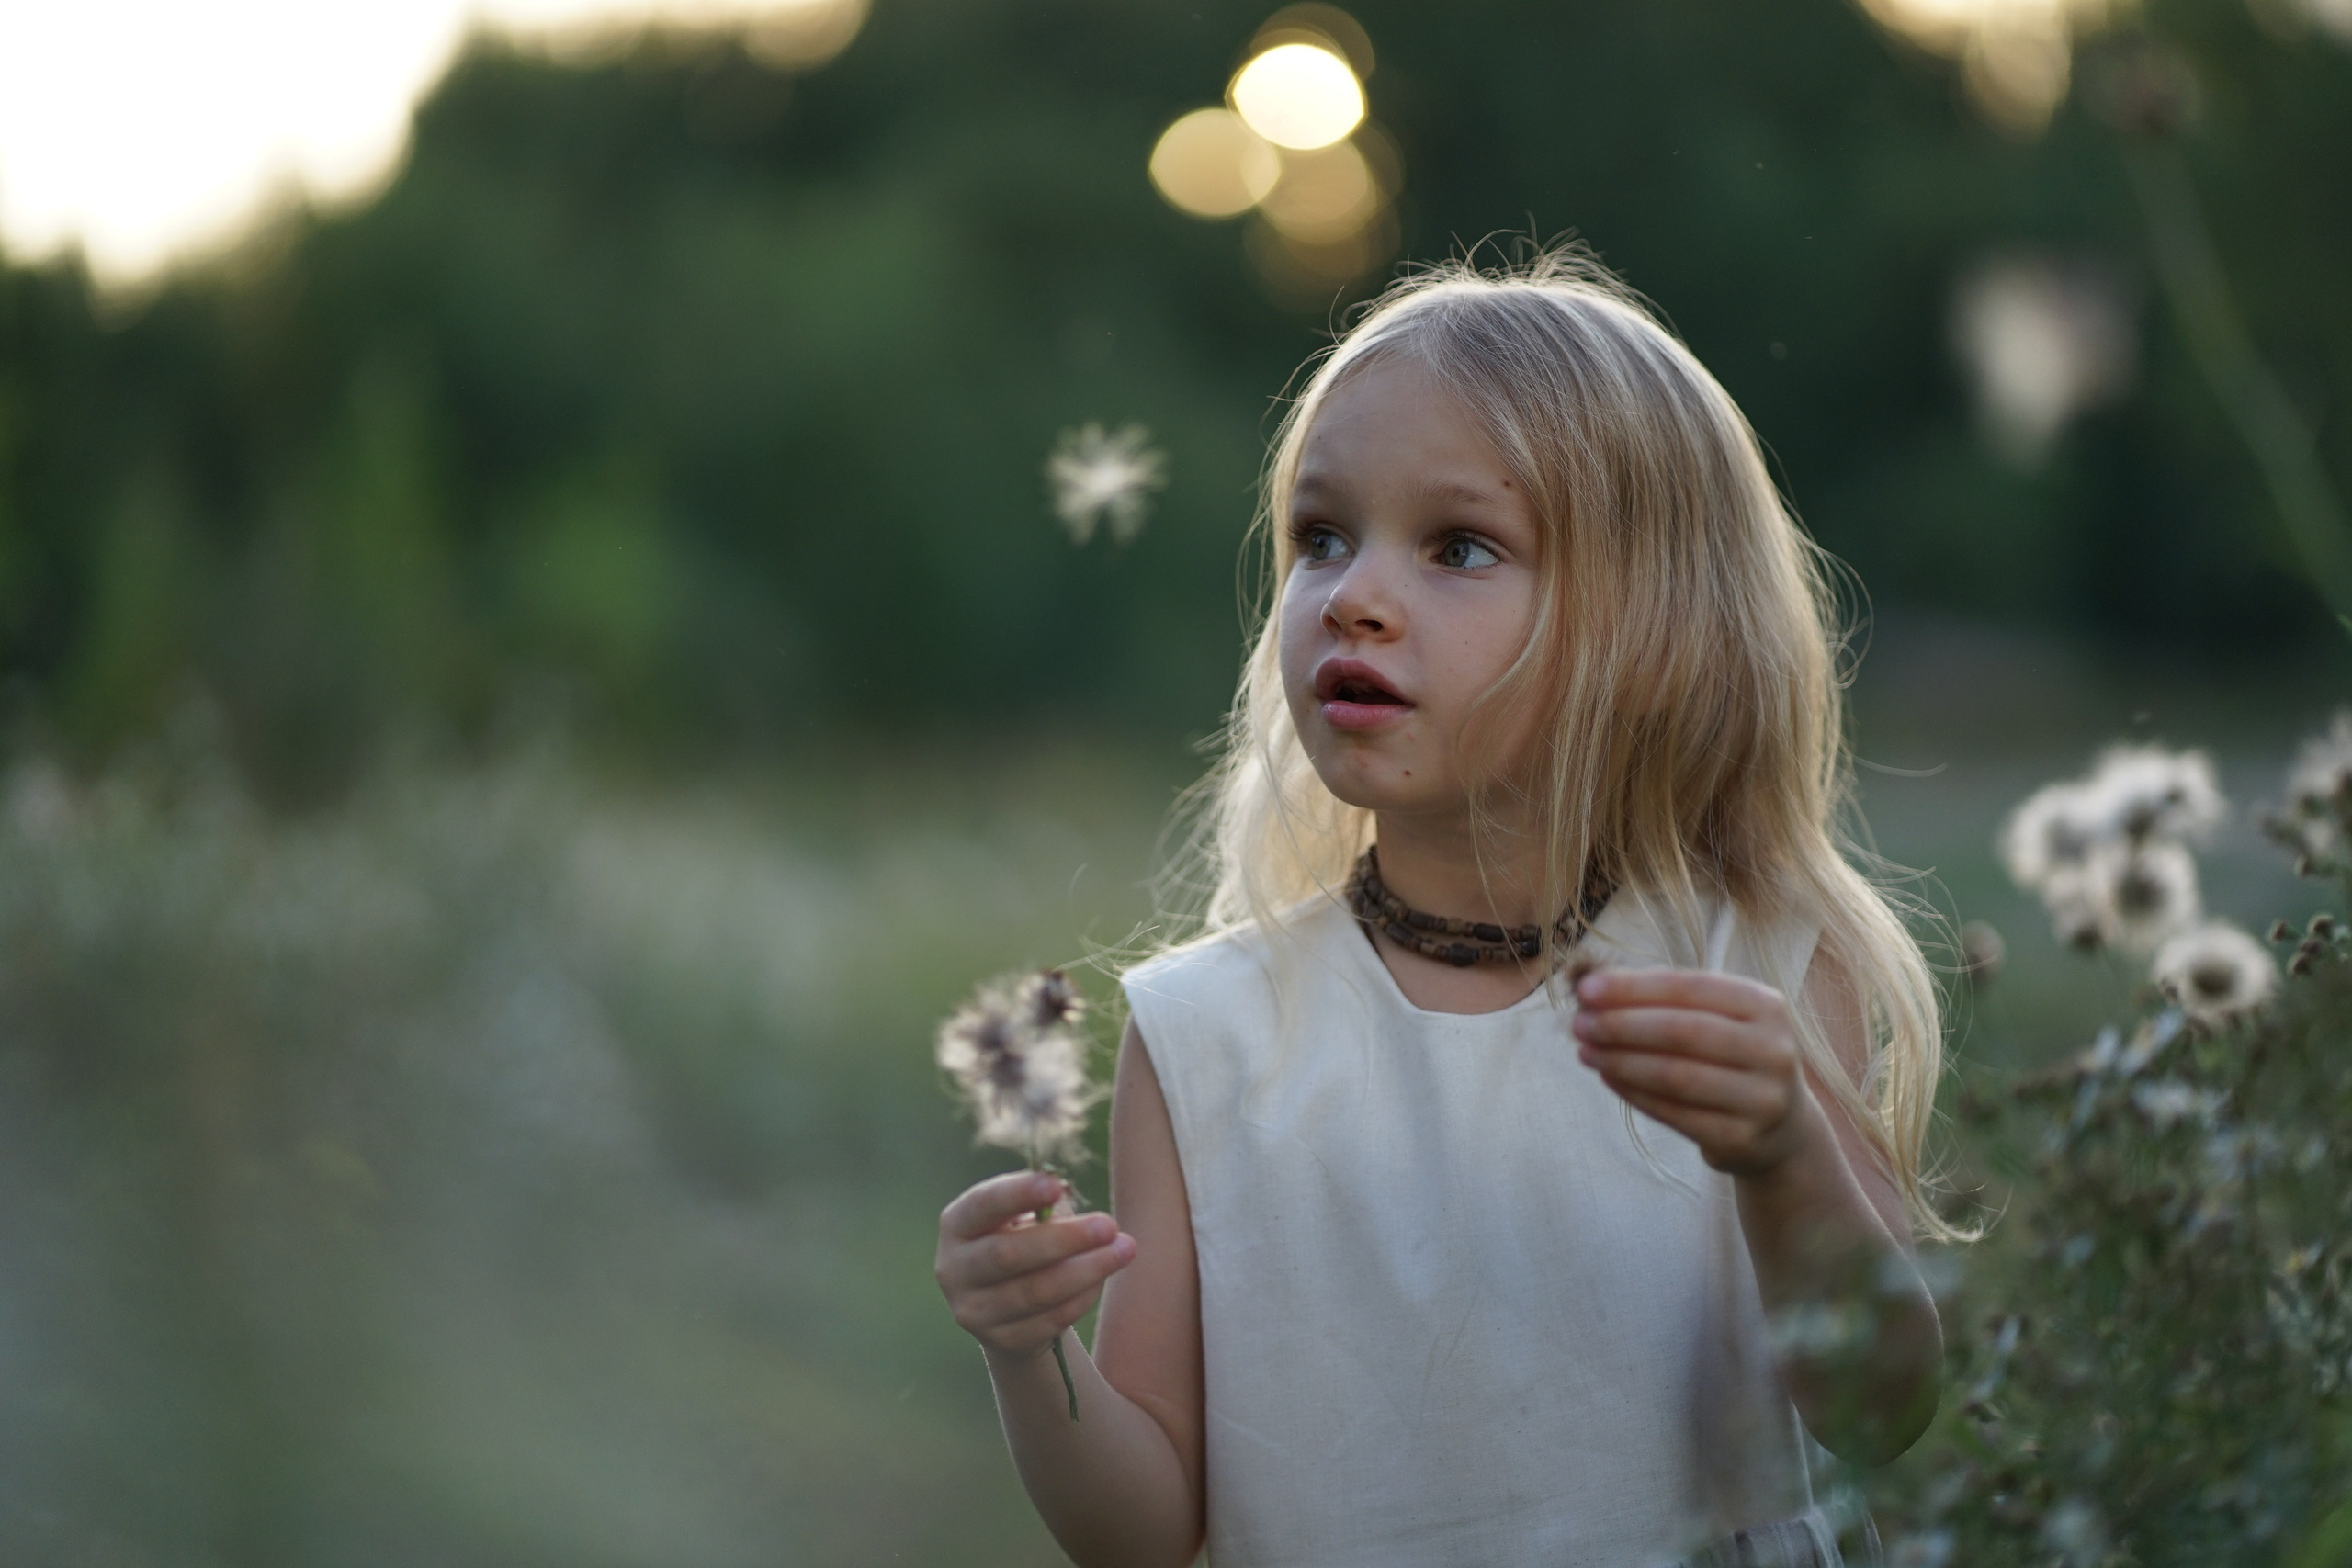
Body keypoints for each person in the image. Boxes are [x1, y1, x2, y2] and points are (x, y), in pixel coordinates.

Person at [933, 249, 1950, 1568]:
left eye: (1459, 547)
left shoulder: (1753, 966)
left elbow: (1883, 1413)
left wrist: (1782, 1151)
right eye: (1321, 537)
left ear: (1650, 635)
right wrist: (1031, 1354)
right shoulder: (1209, 1036)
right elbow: (1145, 1528)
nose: (1353, 595)